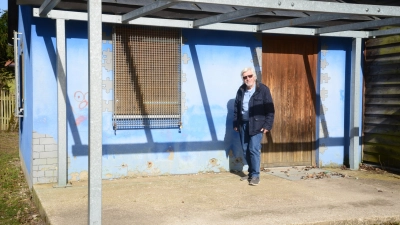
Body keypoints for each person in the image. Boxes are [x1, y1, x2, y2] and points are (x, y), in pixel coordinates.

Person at [233, 67, 275, 186]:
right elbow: (236, 108)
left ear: (254, 77)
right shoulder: (241, 90)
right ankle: (251, 173)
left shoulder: (262, 90)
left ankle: (256, 175)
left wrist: (268, 124)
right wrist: (236, 123)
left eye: (250, 76)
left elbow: (270, 109)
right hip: (243, 124)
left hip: (257, 124)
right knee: (245, 149)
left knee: (253, 149)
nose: (248, 79)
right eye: (245, 77)